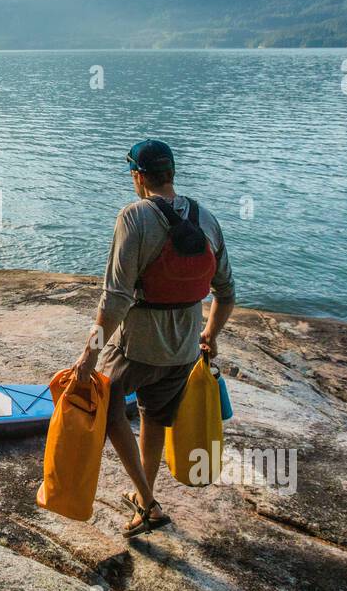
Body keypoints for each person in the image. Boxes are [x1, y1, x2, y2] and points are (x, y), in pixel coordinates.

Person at [71, 139, 236, 538]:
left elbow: (114, 300)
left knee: (108, 409)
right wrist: (209, 336)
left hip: (137, 347)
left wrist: (88, 357)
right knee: (153, 419)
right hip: (182, 352)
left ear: (137, 176)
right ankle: (143, 497)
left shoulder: (134, 217)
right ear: (172, 174)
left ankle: (147, 502)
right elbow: (226, 292)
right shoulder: (207, 219)